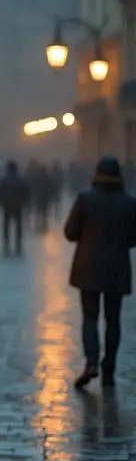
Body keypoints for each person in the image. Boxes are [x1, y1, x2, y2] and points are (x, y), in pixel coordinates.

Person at [64, 156, 136, 389]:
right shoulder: (129, 202)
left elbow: (70, 232)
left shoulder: (85, 198)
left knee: (90, 317)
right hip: (117, 267)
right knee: (113, 319)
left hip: (88, 266)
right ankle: (109, 365)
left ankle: (91, 362)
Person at [0, 161, 31, 255]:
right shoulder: (21, 180)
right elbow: (26, 193)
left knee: (6, 227)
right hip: (18, 206)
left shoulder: (4, 180)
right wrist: (25, 203)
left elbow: (0, 194)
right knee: (18, 227)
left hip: (7, 206)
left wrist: (1, 204)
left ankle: (6, 246)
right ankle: (18, 245)